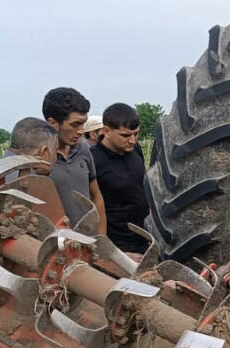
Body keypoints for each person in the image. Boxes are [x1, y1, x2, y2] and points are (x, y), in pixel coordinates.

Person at [42, 87, 107, 233]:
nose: (81, 131)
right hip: (56, 247)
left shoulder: (83, 150)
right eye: (75, 125)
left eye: (83, 124)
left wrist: (102, 240)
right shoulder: (39, 161)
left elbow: (96, 197)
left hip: (88, 244)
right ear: (52, 123)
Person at [90, 103, 150, 254]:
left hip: (145, 239)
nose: (133, 140)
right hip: (117, 246)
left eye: (136, 134)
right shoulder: (93, 159)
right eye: (125, 135)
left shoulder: (135, 150)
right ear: (106, 131)